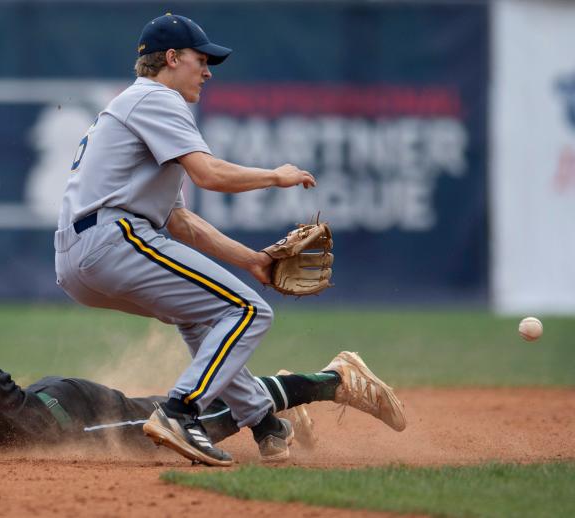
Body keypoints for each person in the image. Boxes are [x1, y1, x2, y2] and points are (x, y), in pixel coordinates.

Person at [53, 14, 406, 466]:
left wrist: (252, 261)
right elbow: (210, 174)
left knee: (202, 318)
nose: (208, 70)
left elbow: (180, 223)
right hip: (113, 238)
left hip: (81, 258)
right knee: (249, 311)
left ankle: (263, 424)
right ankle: (180, 413)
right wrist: (276, 176)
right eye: (201, 59)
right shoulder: (156, 99)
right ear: (172, 58)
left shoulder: (135, 108)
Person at [0, 256, 396, 463]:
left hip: (72, 424)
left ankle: (330, 381)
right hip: (54, 399)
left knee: (185, 427)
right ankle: (290, 406)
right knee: (189, 411)